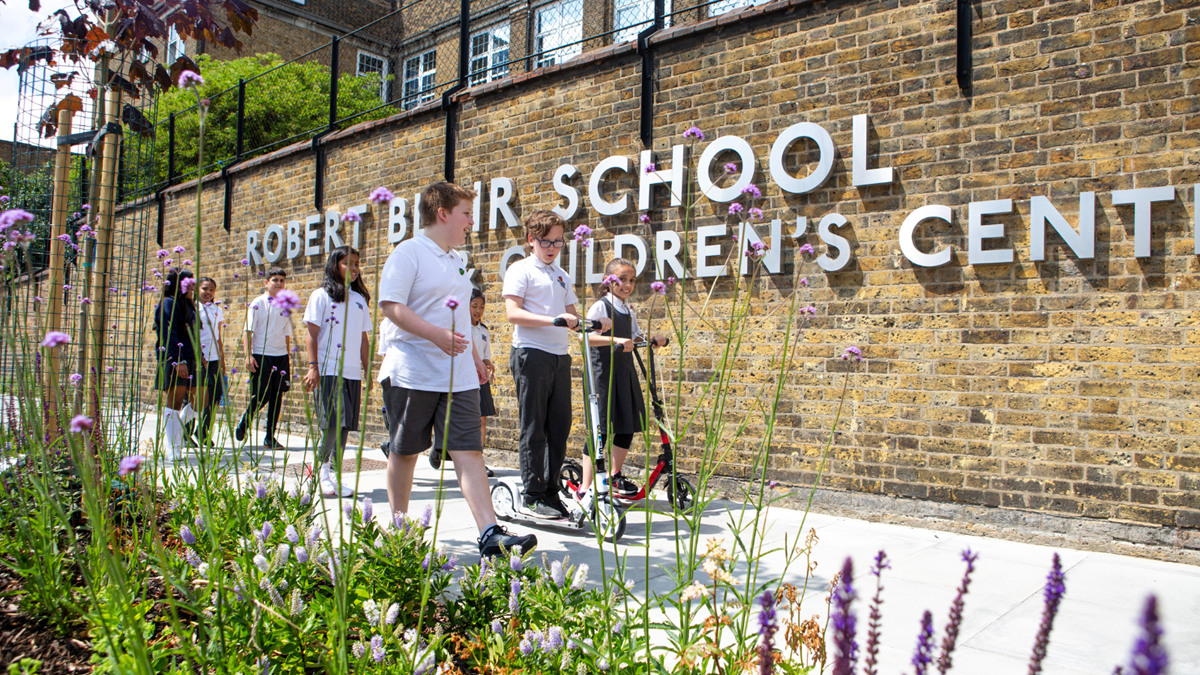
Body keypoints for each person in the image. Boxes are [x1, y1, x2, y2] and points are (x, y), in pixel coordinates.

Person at [378, 181, 536, 558]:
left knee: (469, 451)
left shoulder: (457, 260)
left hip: (458, 376)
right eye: (466, 214)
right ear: (443, 213)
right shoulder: (409, 253)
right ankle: (399, 529)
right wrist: (435, 335)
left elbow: (462, 319)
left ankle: (490, 533)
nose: (470, 222)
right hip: (413, 371)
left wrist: (473, 363)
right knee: (405, 452)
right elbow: (391, 306)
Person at [502, 211, 610, 519]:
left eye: (558, 242)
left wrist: (595, 324)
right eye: (546, 241)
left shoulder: (560, 275)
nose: (552, 247)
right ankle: (532, 494)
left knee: (559, 427)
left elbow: (573, 318)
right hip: (530, 353)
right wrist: (553, 320)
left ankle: (550, 492)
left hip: (560, 356)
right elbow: (513, 314)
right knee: (534, 425)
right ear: (531, 240)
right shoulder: (520, 269)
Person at [577, 258, 667, 498]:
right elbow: (584, 338)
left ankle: (613, 476)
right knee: (601, 430)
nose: (627, 285)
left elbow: (635, 337)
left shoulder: (628, 309)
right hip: (603, 374)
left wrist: (652, 339)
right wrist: (615, 339)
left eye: (632, 280)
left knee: (627, 425)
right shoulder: (601, 307)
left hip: (624, 372)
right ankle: (585, 487)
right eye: (622, 279)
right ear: (609, 281)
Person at [303, 246, 373, 498]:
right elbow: (311, 334)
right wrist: (313, 367)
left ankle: (333, 474)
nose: (353, 268)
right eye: (347, 263)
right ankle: (319, 473)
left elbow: (364, 339)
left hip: (352, 373)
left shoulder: (359, 300)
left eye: (356, 263)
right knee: (331, 425)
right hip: (328, 370)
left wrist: (367, 370)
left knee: (344, 428)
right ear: (335, 265)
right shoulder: (320, 296)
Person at [429, 288, 496, 478]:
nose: (478, 310)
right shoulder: (457, 329)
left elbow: (485, 355)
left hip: (480, 378)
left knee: (482, 419)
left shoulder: (483, 330)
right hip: (462, 377)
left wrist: (488, 365)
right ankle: (439, 446)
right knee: (451, 417)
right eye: (474, 306)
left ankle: (479, 460)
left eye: (482, 307)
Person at [235, 267, 294, 450]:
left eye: (282, 280)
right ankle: (245, 420)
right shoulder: (258, 303)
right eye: (275, 280)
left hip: (281, 356)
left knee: (277, 397)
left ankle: (270, 436)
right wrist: (248, 354)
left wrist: (288, 356)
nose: (279, 283)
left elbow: (287, 333)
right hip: (262, 355)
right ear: (266, 282)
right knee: (261, 394)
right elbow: (248, 331)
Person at [153, 268, 198, 460]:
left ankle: (175, 430)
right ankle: (173, 447)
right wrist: (177, 360)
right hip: (175, 358)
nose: (192, 285)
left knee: (201, 399)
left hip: (192, 357)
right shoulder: (169, 303)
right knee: (176, 402)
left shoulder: (189, 305)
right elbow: (168, 333)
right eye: (187, 282)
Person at [194, 277, 226, 446]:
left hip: (213, 358)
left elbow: (218, 336)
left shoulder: (216, 310)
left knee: (216, 394)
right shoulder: (193, 308)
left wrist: (222, 360)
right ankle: (186, 429)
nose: (208, 292)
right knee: (196, 395)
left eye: (212, 289)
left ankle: (203, 429)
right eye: (205, 289)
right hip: (198, 358)